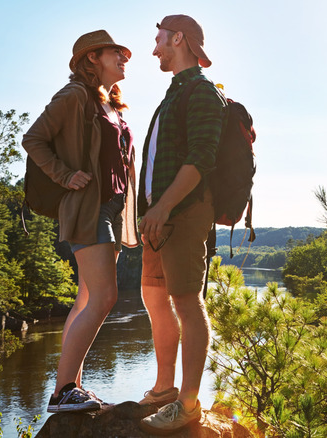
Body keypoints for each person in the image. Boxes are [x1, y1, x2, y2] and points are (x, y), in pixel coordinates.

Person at [22, 30, 138, 413]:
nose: (124, 58)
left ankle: (72, 387)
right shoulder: (74, 96)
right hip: (88, 207)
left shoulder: (111, 105)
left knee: (87, 297)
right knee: (104, 297)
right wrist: (64, 174)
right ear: (92, 59)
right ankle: (62, 391)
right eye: (116, 53)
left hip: (112, 209)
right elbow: (33, 138)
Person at [137, 15, 223, 434]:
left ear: (178, 38)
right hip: (158, 219)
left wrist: (164, 207)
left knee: (187, 303)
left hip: (182, 214)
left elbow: (201, 158)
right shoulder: (173, 95)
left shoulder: (202, 93)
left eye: (158, 41)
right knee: (155, 298)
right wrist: (149, 209)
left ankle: (188, 405)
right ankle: (164, 389)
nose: (154, 49)